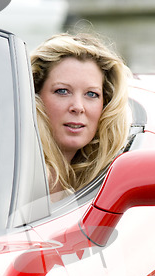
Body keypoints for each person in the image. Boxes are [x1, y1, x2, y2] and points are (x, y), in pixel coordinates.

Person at [31, 32, 132, 201]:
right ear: (35, 95)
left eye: (91, 94)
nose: (78, 107)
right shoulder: (24, 175)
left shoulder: (102, 179)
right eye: (62, 91)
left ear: (105, 105)